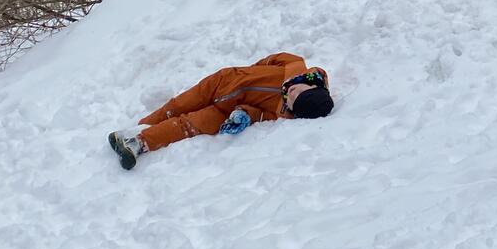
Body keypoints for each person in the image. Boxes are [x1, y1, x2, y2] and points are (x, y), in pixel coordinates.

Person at [108, 52, 333, 169]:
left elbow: (258, 113)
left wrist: (243, 114)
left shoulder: (280, 110)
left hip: (225, 111)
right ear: (312, 85)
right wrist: (249, 71)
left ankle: (138, 143)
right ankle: (137, 127)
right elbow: (272, 59)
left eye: (292, 100)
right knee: (178, 106)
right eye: (297, 91)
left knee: (188, 125)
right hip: (220, 82)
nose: (290, 93)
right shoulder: (295, 65)